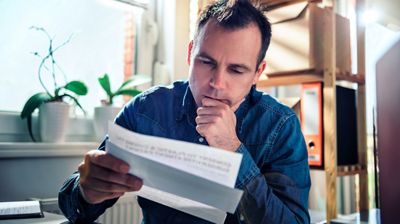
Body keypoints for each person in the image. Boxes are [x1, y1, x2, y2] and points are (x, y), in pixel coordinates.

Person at [59, 0, 311, 223]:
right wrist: (85, 192)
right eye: (206, 62)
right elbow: (71, 205)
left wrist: (234, 150)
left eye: (236, 70)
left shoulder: (280, 126)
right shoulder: (145, 110)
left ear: (257, 73)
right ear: (191, 54)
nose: (217, 83)